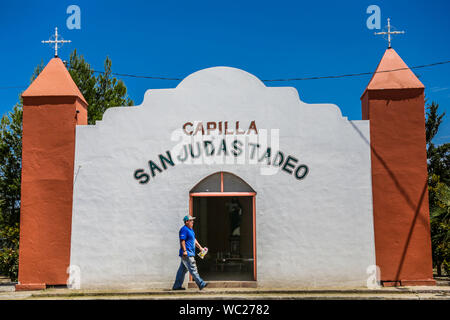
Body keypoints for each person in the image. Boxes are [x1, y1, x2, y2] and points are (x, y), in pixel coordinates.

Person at [172, 215, 209, 290]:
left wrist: (201, 248)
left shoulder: (191, 230)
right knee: (193, 269)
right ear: (186, 222)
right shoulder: (184, 229)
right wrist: (185, 251)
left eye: (193, 220)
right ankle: (201, 283)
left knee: (181, 271)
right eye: (191, 220)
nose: (193, 221)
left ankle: (176, 286)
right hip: (187, 254)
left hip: (189, 253)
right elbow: (182, 241)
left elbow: (194, 240)